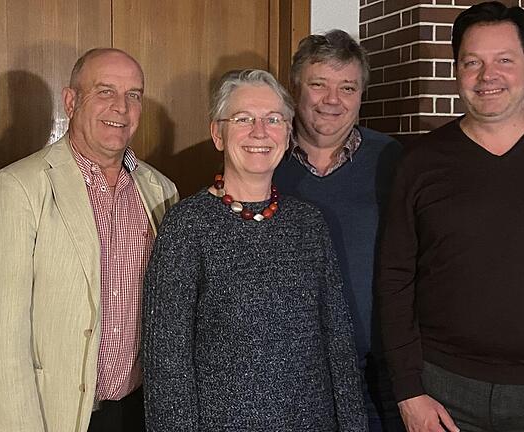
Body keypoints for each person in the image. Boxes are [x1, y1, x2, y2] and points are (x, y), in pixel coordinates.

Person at [376, 2, 524, 431]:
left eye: (504, 60)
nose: (488, 76)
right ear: (456, 71)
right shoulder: (418, 161)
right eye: (473, 62)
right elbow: (393, 279)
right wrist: (409, 392)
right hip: (442, 394)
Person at [142, 69, 367, 431]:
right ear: (218, 133)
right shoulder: (186, 226)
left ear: (288, 131)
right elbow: (167, 362)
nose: (260, 132)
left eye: (273, 119)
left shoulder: (309, 224)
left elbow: (337, 342)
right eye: (243, 119)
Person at [0, 48, 178, 432]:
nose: (121, 107)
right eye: (105, 91)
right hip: (55, 418)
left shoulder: (160, 190)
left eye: (134, 95)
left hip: (139, 413)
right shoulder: (19, 187)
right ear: (71, 100)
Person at [273, 30, 404, 431]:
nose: (333, 100)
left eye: (347, 87)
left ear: (361, 94)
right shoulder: (263, 155)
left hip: (377, 377)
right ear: (296, 87)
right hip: (287, 379)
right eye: (319, 85)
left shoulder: (394, 161)